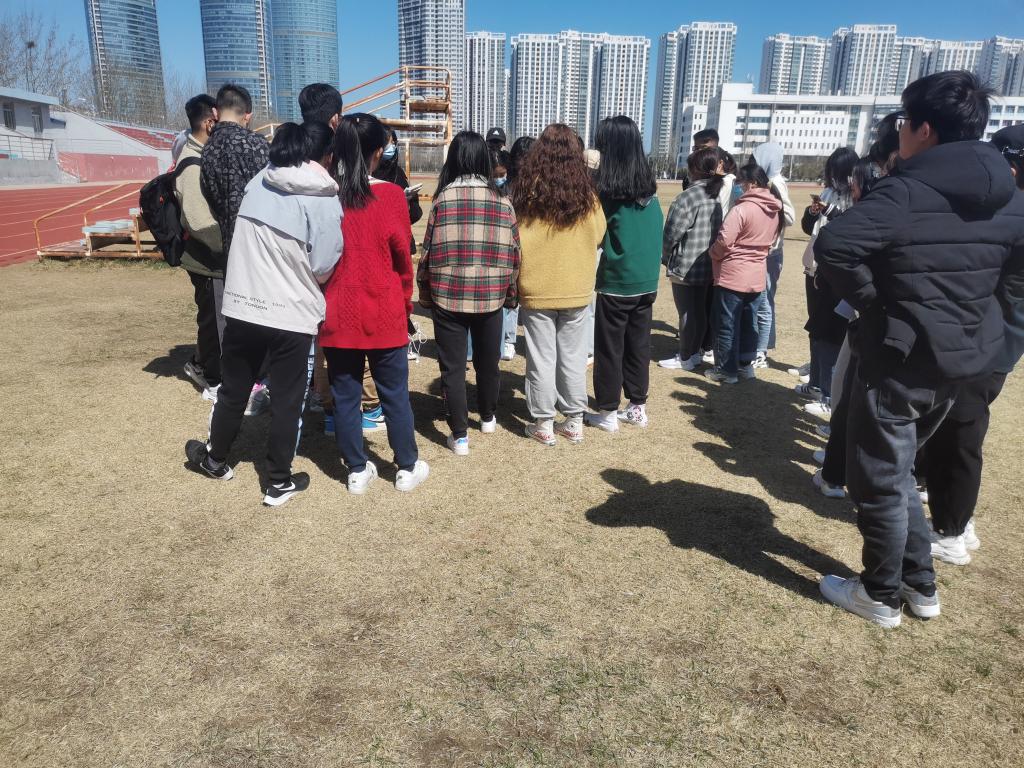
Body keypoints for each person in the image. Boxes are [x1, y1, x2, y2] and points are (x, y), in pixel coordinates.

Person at [815, 71, 1024, 627]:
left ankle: (880, 594)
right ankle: (919, 583)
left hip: (901, 357)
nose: (901, 131)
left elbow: (835, 245)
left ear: (925, 129)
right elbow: (1015, 276)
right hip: (962, 360)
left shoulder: (906, 191)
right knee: (901, 471)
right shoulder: (1010, 196)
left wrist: (877, 306)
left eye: (905, 121)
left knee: (878, 480)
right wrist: (982, 317)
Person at [185, 122, 343, 507]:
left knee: (234, 388)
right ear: (326, 156)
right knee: (288, 399)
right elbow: (325, 262)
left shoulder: (258, 182)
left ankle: (215, 459)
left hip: (244, 303)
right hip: (291, 313)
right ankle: (278, 482)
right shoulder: (324, 198)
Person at [918, 123, 1024, 566]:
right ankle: (957, 516)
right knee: (955, 428)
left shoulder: (1012, 211)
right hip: (997, 342)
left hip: (987, 342)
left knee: (960, 434)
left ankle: (951, 530)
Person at [320, 113, 429, 494]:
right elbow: (403, 259)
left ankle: (355, 469)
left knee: (345, 394)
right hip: (384, 310)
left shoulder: (327, 196)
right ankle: (406, 466)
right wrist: (405, 305)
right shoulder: (392, 196)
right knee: (394, 394)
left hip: (337, 311)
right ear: (378, 152)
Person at [417, 131, 521, 455]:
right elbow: (515, 253)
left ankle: (459, 435)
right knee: (488, 362)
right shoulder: (503, 201)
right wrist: (511, 294)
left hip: (448, 294)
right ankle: (488, 416)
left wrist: (425, 293)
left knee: (452, 367)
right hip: (491, 295)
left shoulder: (442, 199)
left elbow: (427, 252)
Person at [510, 123, 607, 445]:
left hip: (537, 286)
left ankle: (543, 422)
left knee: (541, 358)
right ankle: (574, 419)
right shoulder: (587, 196)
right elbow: (599, 234)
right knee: (573, 357)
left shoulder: (526, 194)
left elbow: (515, 236)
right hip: (576, 286)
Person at [581, 116, 662, 432]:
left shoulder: (609, 194)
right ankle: (638, 406)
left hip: (617, 283)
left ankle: (607, 412)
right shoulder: (649, 189)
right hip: (646, 281)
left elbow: (596, 234)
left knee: (609, 349)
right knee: (638, 345)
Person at [200, 84, 271, 412]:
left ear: (216, 113)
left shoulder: (208, 150)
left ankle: (242, 381)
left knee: (239, 320)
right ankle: (263, 380)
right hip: (263, 244)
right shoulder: (258, 145)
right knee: (266, 316)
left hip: (231, 244)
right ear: (248, 115)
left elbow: (210, 195)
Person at [814, 156, 882, 500]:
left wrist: (864, 297)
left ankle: (835, 473)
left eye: (856, 182)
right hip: (872, 318)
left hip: (871, 322)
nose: (851, 188)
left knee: (850, 394)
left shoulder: (873, 216)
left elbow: (831, 245)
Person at [705, 161, 783, 384]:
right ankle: (745, 365)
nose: (737, 185)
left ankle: (726, 370)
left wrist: (713, 253)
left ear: (752, 183)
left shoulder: (741, 209)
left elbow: (724, 240)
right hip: (757, 274)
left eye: (740, 181)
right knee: (749, 323)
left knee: (726, 324)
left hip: (733, 274)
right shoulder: (774, 209)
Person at [797, 147, 858, 417]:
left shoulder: (857, 197)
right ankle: (815, 383)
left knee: (831, 333)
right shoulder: (827, 193)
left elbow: (849, 228)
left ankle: (828, 392)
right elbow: (807, 227)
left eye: (837, 172)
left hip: (836, 272)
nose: (832, 178)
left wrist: (831, 211)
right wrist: (812, 213)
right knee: (816, 328)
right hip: (814, 267)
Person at [175, 94, 224, 401]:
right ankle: (213, 380)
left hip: (212, 258)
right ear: (209, 122)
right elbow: (199, 222)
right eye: (219, 122)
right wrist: (231, 246)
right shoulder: (191, 164)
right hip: (207, 260)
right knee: (214, 322)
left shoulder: (202, 155)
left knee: (213, 319)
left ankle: (200, 363)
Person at [659, 147, 725, 371]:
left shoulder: (688, 197)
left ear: (694, 169)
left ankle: (685, 356)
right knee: (699, 312)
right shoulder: (714, 196)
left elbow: (671, 233)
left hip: (686, 265)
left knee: (687, 313)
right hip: (707, 265)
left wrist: (665, 256)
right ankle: (694, 353)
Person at [750, 142, 795, 368]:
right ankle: (756, 346)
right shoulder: (763, 180)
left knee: (764, 302)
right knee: (758, 300)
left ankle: (761, 351)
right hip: (760, 250)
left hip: (771, 252)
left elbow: (790, 216)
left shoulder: (775, 182)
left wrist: (769, 209)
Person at [502, 137, 535, 360]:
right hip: (514, 244)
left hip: (530, 245)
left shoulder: (539, 185)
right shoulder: (508, 185)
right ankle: (508, 339)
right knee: (511, 293)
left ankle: (510, 340)